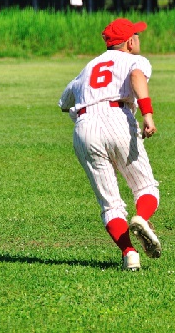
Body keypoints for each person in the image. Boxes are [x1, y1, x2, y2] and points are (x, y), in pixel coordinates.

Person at [58, 17, 161, 271]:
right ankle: (142, 218)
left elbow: (63, 101)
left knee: (110, 204)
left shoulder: (89, 67)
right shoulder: (134, 60)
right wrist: (147, 114)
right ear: (128, 43)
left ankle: (129, 253)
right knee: (146, 186)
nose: (138, 39)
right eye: (136, 35)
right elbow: (137, 77)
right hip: (117, 119)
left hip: (85, 127)